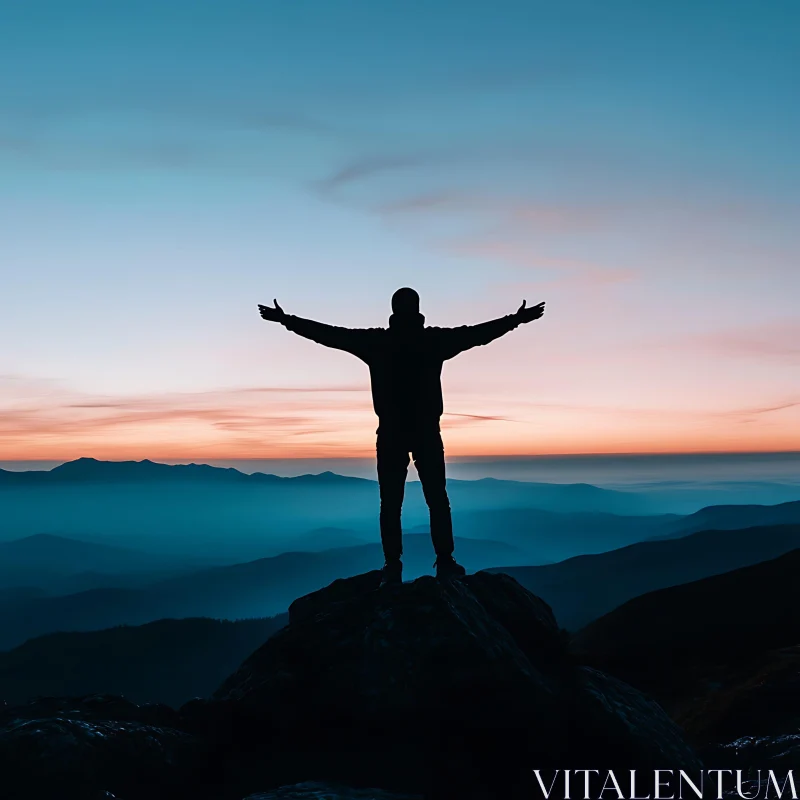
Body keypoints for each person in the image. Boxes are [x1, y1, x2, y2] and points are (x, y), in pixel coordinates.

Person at [258, 288, 545, 585]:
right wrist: (515, 320)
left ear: (393, 310)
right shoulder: (434, 341)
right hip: (426, 432)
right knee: (437, 499)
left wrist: (287, 320)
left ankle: (393, 567)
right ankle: (444, 562)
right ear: (418, 309)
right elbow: (478, 334)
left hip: (391, 433)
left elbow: (329, 335)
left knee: (391, 503)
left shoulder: (377, 342)